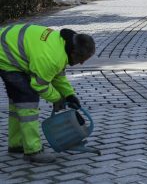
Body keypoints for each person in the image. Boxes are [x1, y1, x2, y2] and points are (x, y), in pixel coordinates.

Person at [0, 24, 95, 163]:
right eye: (81, 59)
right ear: (74, 52)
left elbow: (57, 75)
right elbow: (39, 85)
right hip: (5, 57)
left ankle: (16, 144)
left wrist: (69, 94)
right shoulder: (51, 57)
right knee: (28, 101)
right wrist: (57, 99)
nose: (81, 63)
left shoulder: (63, 44)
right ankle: (33, 151)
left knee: (18, 102)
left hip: (7, 47)